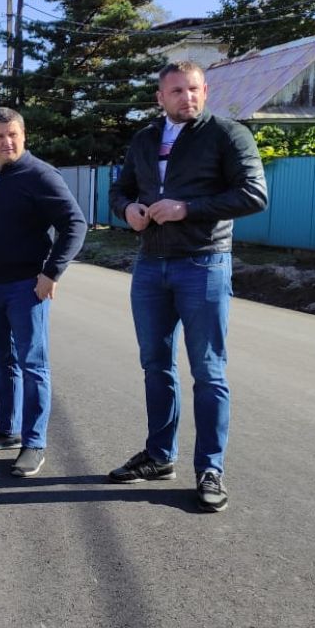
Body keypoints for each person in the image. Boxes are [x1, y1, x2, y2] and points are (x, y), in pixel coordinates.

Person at [107, 60, 268, 512]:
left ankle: (210, 468)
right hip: (150, 266)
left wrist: (188, 208)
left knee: (208, 373)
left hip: (203, 264)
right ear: (160, 97)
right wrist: (129, 211)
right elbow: (118, 191)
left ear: (205, 90)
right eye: (176, 91)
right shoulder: (143, 140)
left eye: (193, 89)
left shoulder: (227, 135)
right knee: (156, 366)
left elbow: (255, 194)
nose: (187, 97)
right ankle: (159, 456)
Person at [0, 107, 86, 477]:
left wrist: (51, 272)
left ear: (23, 136)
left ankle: (34, 443)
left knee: (33, 365)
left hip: (27, 288)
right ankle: (6, 430)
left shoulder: (41, 175)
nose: (6, 142)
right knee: (2, 361)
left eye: (12, 134)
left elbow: (75, 224)